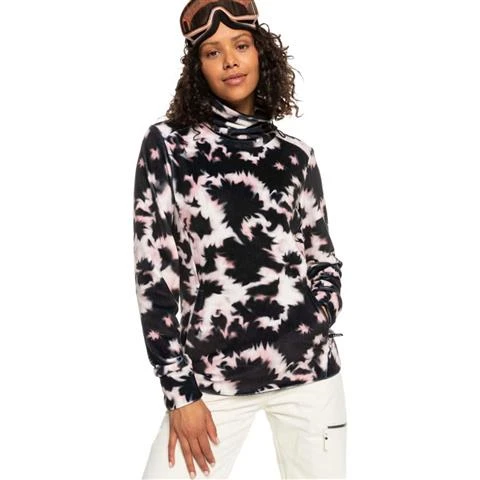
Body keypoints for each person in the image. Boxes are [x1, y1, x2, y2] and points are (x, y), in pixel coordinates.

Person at [133, 1, 347, 478]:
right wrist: (179, 393)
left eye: (241, 45)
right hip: (210, 381)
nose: (230, 61)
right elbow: (155, 275)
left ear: (261, 53)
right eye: (213, 52)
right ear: (198, 67)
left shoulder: (295, 156)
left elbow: (321, 255)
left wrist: (317, 316)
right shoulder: (169, 145)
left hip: (309, 376)